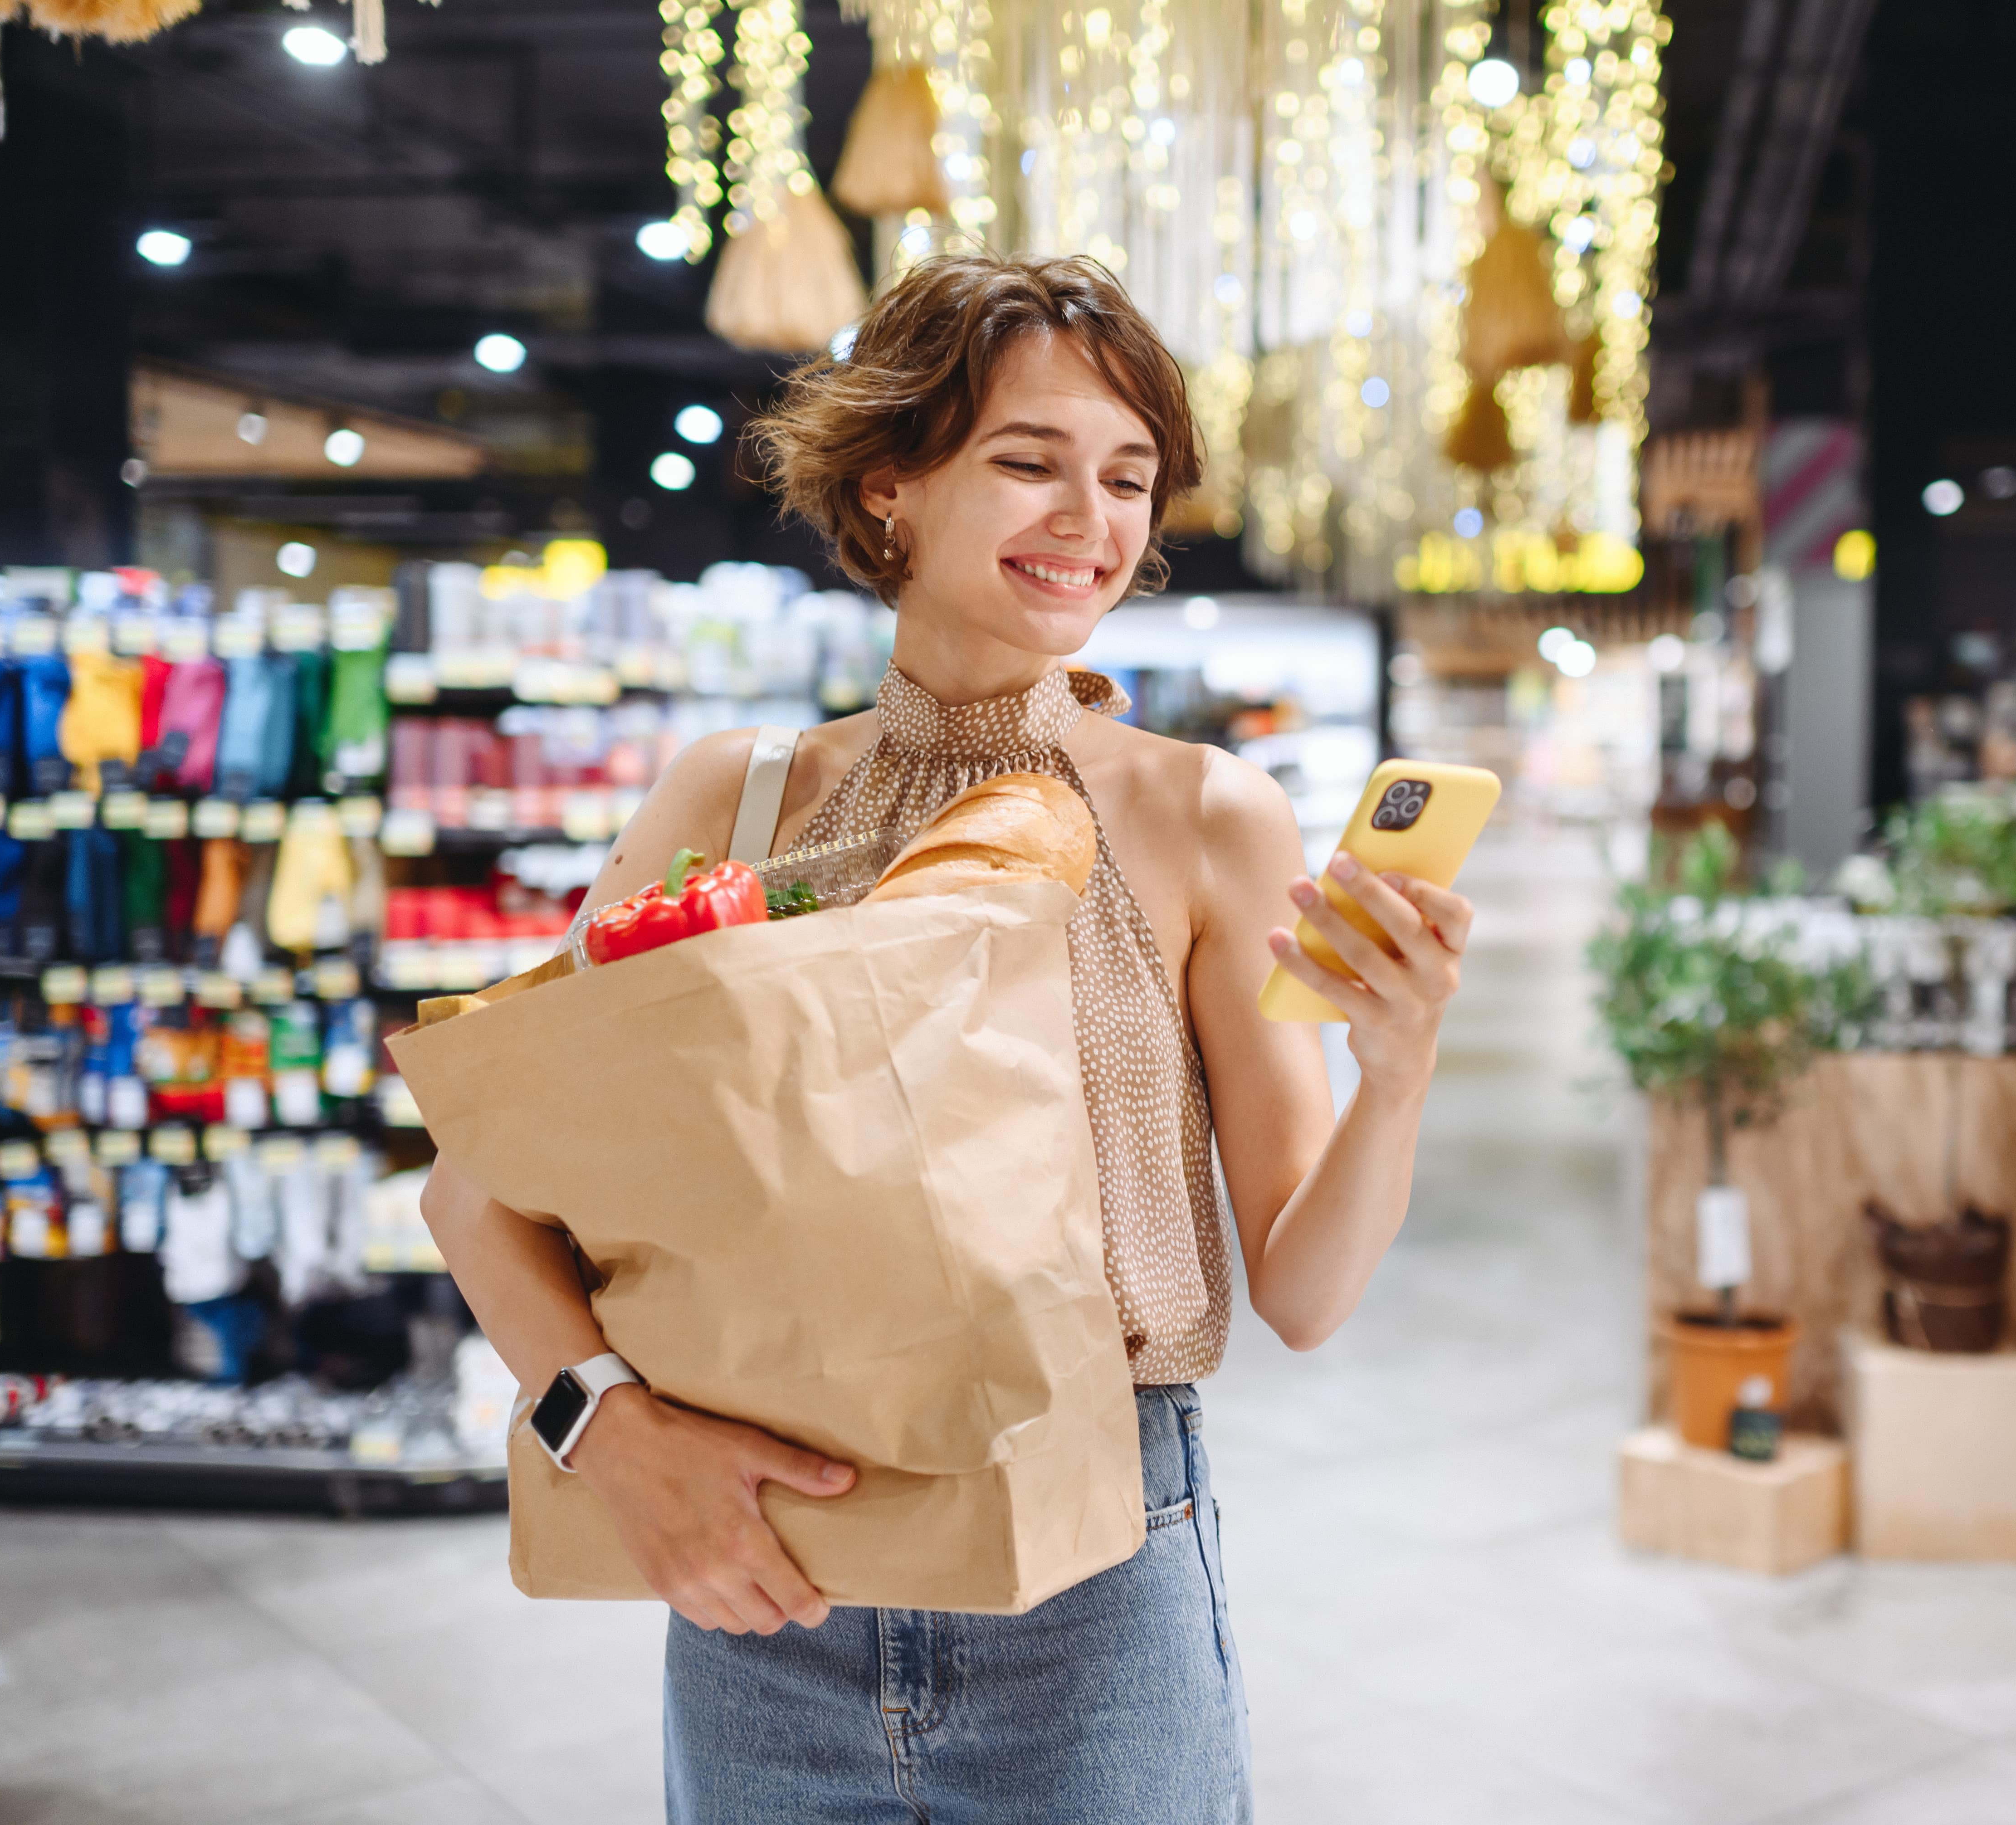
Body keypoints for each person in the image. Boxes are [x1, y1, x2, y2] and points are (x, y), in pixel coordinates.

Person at [419, 251, 1476, 1822]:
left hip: (1104, 1566)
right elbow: (478, 1185)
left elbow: (1305, 1296)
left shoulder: (1202, 817)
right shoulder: (739, 801)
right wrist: (606, 1429)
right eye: (1028, 461)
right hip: (764, 1560)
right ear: (892, 483)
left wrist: (1395, 1077)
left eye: (1128, 479)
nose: (1091, 520)